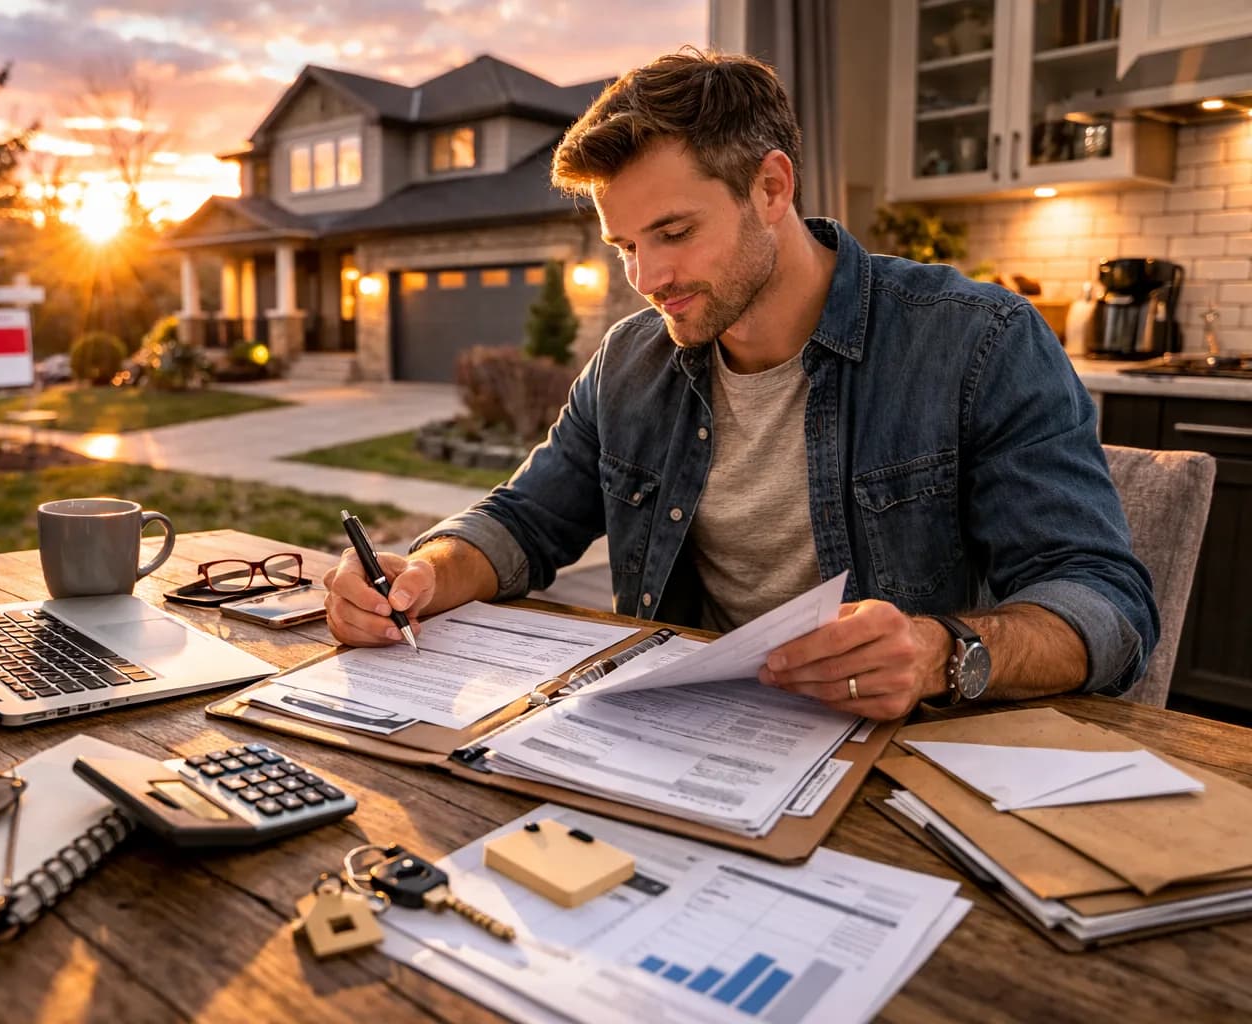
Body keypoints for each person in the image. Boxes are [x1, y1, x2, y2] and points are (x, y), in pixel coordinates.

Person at [323, 50, 1157, 721]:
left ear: (771, 187)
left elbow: (1107, 603)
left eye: (674, 231)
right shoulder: (630, 361)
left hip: (909, 755)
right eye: (625, 247)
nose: (647, 277)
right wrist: (424, 574)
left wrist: (944, 652)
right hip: (692, 733)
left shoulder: (978, 341)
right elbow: (523, 521)